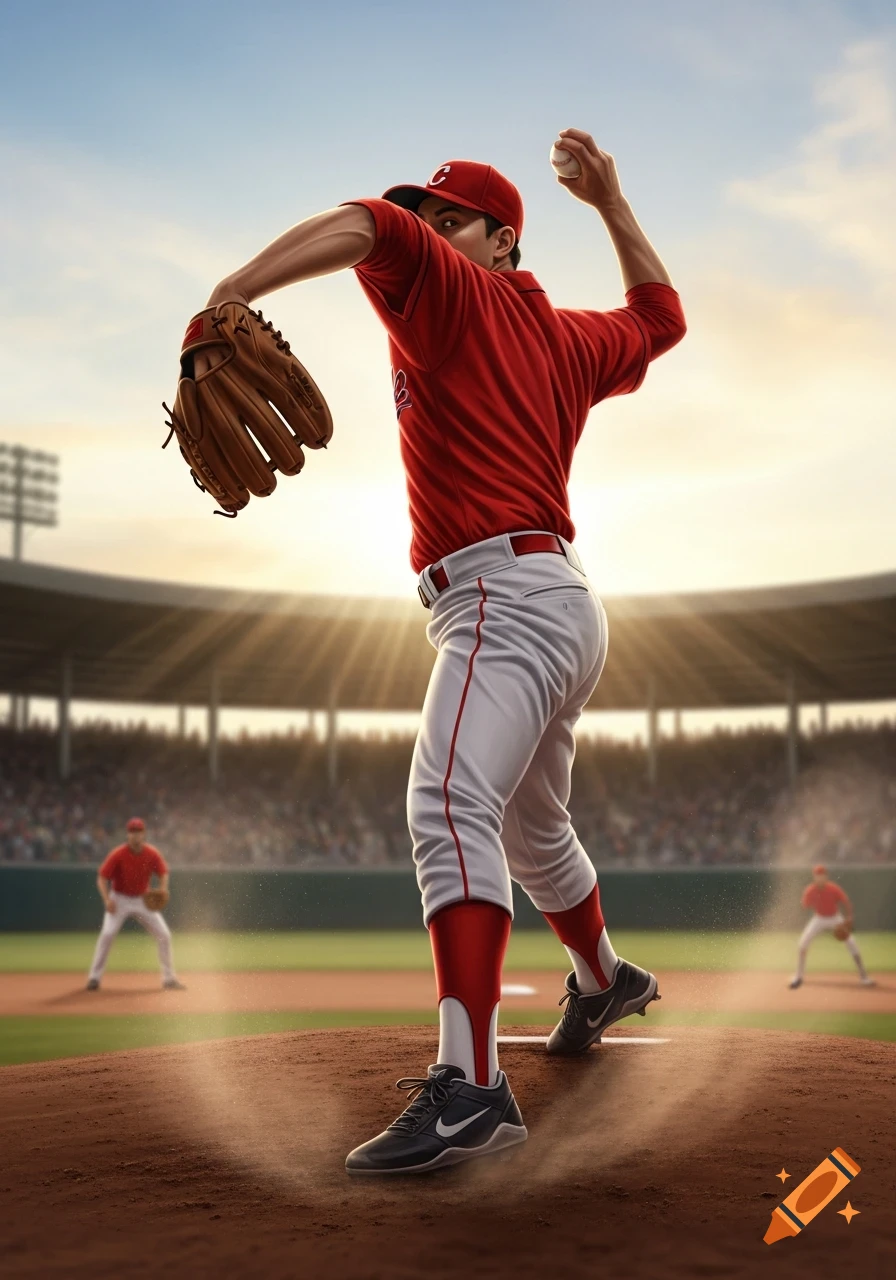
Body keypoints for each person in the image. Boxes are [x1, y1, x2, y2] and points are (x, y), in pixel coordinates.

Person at [199, 127, 686, 1175]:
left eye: (448, 217)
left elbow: (362, 222)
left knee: (446, 806)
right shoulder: (565, 340)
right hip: (560, 602)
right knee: (531, 824)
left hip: (499, 600)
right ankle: (602, 977)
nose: (425, 229)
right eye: (427, 218)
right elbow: (659, 317)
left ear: (500, 244)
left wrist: (227, 289)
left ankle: (469, 1091)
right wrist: (608, 201)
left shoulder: (452, 289)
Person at [85, 817, 186, 991]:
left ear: (144, 834)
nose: (135, 835)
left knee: (164, 935)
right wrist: (107, 899)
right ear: (127, 834)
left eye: (138, 832)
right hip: (119, 899)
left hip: (142, 899)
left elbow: (163, 872)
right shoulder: (118, 854)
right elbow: (102, 877)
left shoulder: (152, 853)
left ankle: (169, 979)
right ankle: (94, 978)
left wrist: (163, 888)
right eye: (132, 832)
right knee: (107, 934)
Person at [789, 863, 874, 989]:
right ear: (814, 877)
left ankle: (864, 977)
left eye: (822, 875)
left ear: (826, 876)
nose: (820, 878)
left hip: (835, 918)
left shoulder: (833, 888)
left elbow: (846, 902)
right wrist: (805, 902)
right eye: (817, 875)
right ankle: (798, 976)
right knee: (803, 943)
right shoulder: (810, 890)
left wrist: (849, 917)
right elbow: (804, 905)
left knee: (852, 943)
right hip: (819, 918)